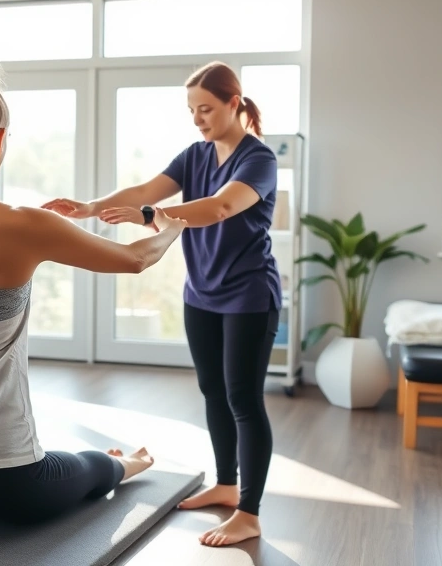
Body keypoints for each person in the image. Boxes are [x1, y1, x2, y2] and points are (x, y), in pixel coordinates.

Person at [0, 49, 188, 525]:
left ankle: (108, 463)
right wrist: (171, 228)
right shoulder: (25, 225)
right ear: (0, 140)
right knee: (85, 468)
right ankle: (124, 464)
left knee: (62, 464)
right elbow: (134, 259)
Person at [42, 61, 281, 546]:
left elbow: (220, 206)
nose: (197, 118)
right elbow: (145, 190)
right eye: (192, 110)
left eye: (206, 109)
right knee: (214, 392)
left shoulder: (259, 159)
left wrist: (151, 215)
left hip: (249, 295)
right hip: (202, 294)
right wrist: (89, 207)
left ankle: (250, 512)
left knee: (243, 399)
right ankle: (227, 485)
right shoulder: (194, 154)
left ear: (235, 102)